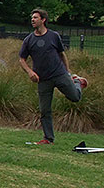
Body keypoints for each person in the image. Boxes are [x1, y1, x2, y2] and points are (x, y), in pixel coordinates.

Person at [19, 9, 88, 145]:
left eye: (35, 17)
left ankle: (77, 82)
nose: (32, 20)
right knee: (45, 110)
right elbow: (21, 59)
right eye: (32, 18)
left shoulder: (53, 36)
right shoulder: (29, 40)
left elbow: (62, 54)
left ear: (43, 20)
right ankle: (48, 138)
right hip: (43, 80)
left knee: (75, 98)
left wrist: (68, 73)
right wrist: (30, 72)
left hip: (60, 74)